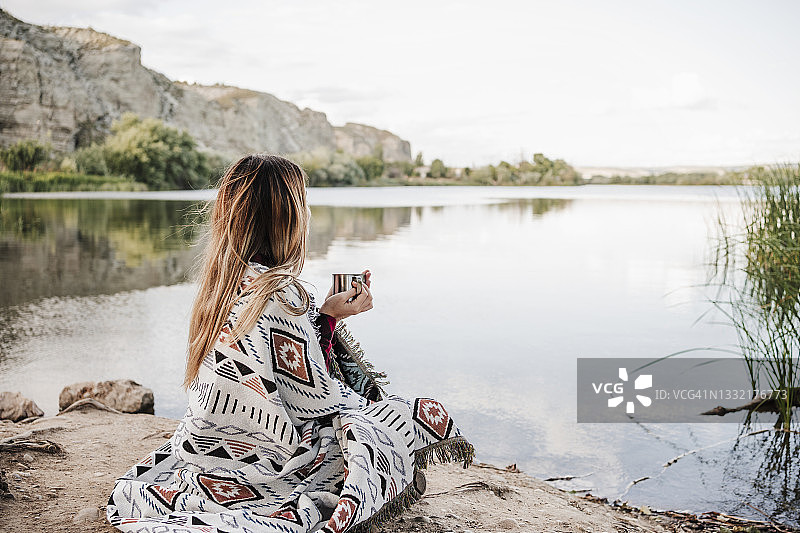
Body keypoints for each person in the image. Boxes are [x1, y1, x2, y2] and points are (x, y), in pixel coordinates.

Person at [106, 154, 473, 533]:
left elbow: (276, 374)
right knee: (399, 420)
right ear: (288, 218)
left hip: (205, 447)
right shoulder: (281, 294)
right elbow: (317, 403)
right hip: (270, 465)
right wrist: (336, 345)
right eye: (303, 203)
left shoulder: (220, 285)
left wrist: (326, 317)